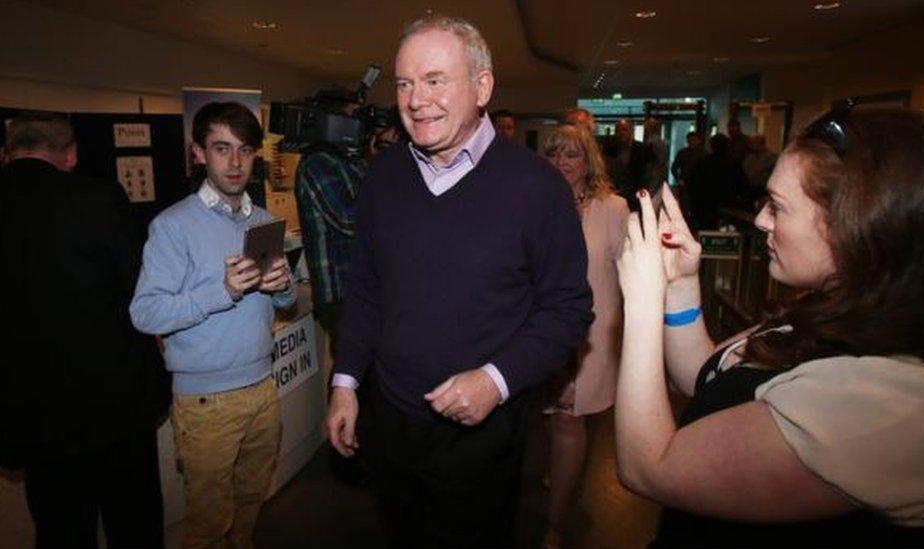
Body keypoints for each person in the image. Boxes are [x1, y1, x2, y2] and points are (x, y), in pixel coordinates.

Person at [614, 107, 924, 548]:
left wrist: (642, 302)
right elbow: (705, 377)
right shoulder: (835, 308)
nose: (762, 220)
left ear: (859, 229)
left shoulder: (902, 401)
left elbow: (648, 468)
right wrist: (681, 284)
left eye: (778, 207)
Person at [325, 16, 593, 548]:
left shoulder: (537, 187)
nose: (416, 99)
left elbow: (567, 309)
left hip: (482, 438)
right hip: (391, 423)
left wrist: (495, 380)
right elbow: (365, 290)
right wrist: (346, 382)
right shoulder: (383, 178)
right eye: (404, 83)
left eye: (434, 80)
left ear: (483, 86)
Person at [130, 102, 296, 549]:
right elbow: (145, 313)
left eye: (244, 150)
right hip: (206, 402)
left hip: (263, 385)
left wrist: (281, 286)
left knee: (250, 501)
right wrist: (222, 292)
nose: (236, 163)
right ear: (199, 153)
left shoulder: (263, 221)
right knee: (207, 523)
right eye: (222, 149)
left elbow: (287, 299)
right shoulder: (172, 226)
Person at [0, 112, 167, 548]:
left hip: (35, 416)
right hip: (115, 406)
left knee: (59, 529)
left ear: (6, 154)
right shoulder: (98, 198)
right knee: (134, 525)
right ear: (70, 154)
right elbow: (141, 289)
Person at [541, 124, 628, 548]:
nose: (562, 163)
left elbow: (631, 277)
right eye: (555, 154)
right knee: (553, 419)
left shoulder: (613, 208)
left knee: (569, 419)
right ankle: (558, 477)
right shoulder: (536, 204)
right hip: (540, 332)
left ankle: (554, 523)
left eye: (571, 155)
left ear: (588, 160)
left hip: (591, 334)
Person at [684, 133, 750, 230]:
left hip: (705, 204)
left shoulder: (703, 162)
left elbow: (692, 183)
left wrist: (694, 203)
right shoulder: (733, 163)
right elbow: (743, 185)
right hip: (728, 204)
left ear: (711, 146)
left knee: (707, 232)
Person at [603, 118, 652, 211]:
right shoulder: (609, 149)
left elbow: (651, 172)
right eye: (618, 130)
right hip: (614, 196)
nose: (621, 133)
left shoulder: (643, 149)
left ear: (631, 131)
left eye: (624, 129)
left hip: (636, 196)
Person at [643, 115, 669, 186]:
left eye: (646, 127)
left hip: (653, 172)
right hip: (657, 172)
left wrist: (656, 169)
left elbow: (659, 159)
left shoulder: (651, 142)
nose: (645, 128)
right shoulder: (660, 141)